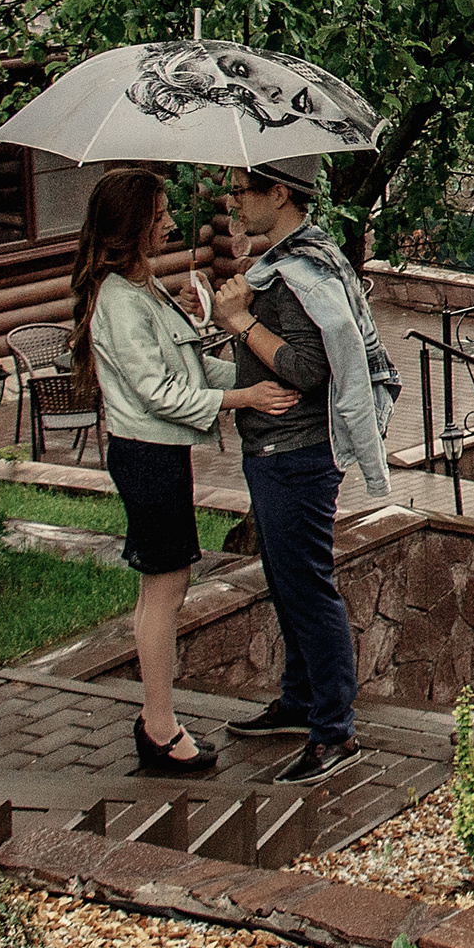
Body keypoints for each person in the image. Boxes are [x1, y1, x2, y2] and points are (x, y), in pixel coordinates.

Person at [69, 168, 297, 774]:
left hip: (159, 454)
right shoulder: (119, 298)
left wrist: (254, 374)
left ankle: (158, 720)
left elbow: (191, 370)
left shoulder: (145, 288)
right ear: (132, 223)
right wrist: (243, 400)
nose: (172, 222)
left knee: (166, 590)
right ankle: (159, 725)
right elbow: (159, 392)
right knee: (164, 593)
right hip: (146, 455)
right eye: (161, 212)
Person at [209, 153, 400, 785]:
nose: (234, 202)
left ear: (281, 196)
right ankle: (299, 700)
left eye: (243, 191)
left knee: (307, 588)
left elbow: (309, 370)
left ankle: (334, 731)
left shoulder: (296, 274)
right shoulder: (296, 262)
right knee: (287, 582)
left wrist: (239, 322)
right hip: (276, 451)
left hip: (295, 454)